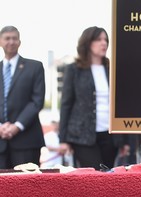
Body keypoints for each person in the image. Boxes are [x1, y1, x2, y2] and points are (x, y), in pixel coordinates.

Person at [58, 27, 129, 170]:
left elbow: (123, 104)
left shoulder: (113, 68)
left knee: (107, 175)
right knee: (95, 175)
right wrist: (63, 139)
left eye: (106, 40)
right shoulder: (74, 69)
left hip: (110, 135)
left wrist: (124, 140)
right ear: (87, 42)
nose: (104, 43)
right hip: (82, 136)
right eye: (99, 40)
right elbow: (66, 104)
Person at [0, 25, 46, 169]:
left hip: (27, 141)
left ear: (20, 42)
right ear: (0, 41)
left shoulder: (35, 67)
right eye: (7, 38)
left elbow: (37, 101)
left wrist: (17, 126)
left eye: (14, 38)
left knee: (28, 189)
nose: (11, 42)